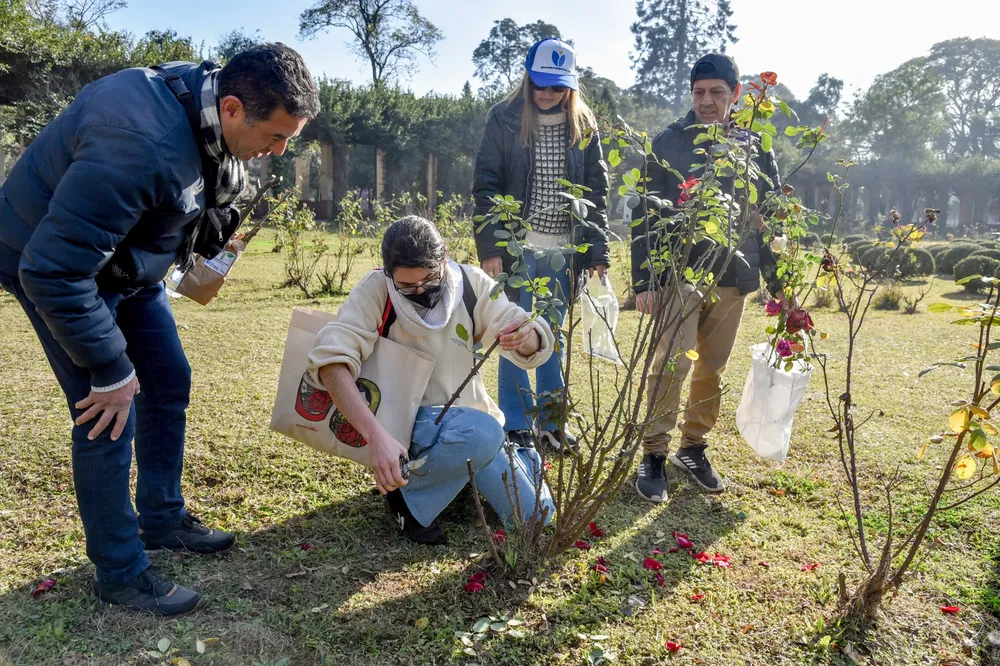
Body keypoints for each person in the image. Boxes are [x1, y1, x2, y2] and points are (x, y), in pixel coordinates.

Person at [0, 44, 319, 615]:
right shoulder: (136, 143)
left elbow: (192, 185)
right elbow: (53, 269)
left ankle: (162, 517)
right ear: (232, 108)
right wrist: (109, 367)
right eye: (275, 137)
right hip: (50, 261)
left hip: (127, 259)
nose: (279, 151)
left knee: (168, 378)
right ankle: (120, 573)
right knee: (108, 410)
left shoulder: (204, 103)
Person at [309, 216, 557, 545]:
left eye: (430, 279)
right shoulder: (376, 289)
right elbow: (331, 362)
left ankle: (468, 470)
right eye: (407, 286)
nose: (421, 292)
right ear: (388, 274)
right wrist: (376, 437)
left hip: (469, 423)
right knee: (483, 432)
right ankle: (406, 498)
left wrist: (525, 336)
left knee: (538, 514)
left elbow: (517, 325)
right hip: (407, 426)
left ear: (444, 260)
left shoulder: (470, 282)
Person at [632, 53, 795, 502]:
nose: (706, 101)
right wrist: (645, 282)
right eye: (699, 92)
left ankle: (693, 446)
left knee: (712, 367)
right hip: (679, 276)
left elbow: (771, 217)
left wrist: (781, 285)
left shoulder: (755, 146)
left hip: (733, 275)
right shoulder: (668, 142)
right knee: (672, 365)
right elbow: (644, 214)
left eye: (717, 92)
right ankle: (654, 452)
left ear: (736, 94)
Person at [472, 37, 610, 452]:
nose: (547, 93)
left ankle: (552, 422)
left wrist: (597, 251)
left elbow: (596, 192)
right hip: (516, 249)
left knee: (553, 333)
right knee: (513, 331)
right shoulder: (504, 119)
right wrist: (491, 248)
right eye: (540, 84)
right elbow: (486, 184)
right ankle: (515, 424)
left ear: (570, 86)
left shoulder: (583, 125)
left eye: (557, 86)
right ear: (527, 79)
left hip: (563, 252)